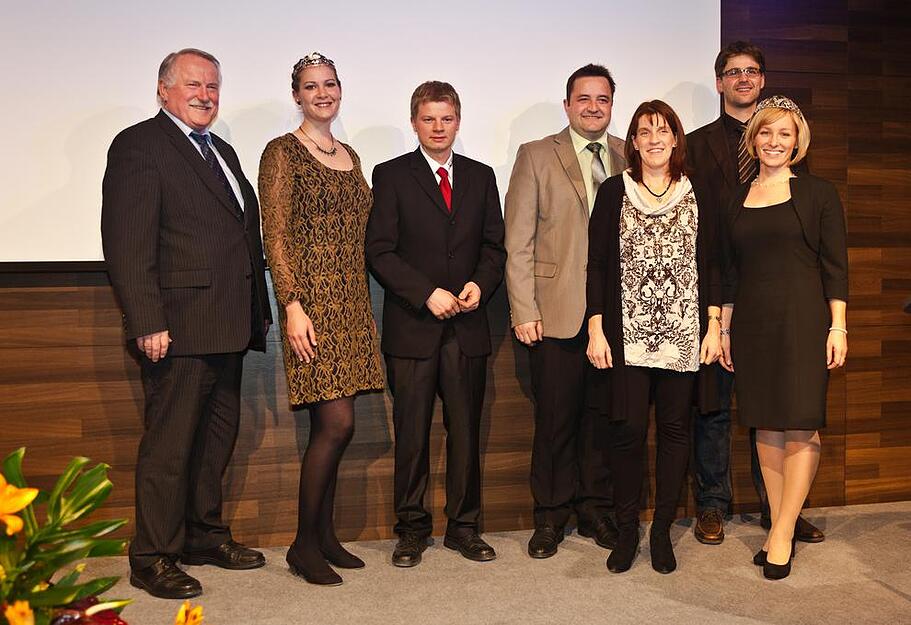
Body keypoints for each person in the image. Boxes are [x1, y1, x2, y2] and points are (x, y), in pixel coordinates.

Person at [101, 48, 272, 599]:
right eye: (194, 84)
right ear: (163, 89)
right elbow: (127, 243)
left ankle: (203, 535)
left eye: (214, 87)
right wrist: (147, 320)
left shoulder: (219, 148)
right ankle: (151, 555)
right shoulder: (139, 145)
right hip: (176, 327)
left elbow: (238, 230)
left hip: (226, 324)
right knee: (170, 447)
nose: (205, 95)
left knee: (215, 441)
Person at [687, 41, 825, 545]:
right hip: (716, 290)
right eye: (732, 72)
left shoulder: (788, 146)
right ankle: (713, 505)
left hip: (778, 302)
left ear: (762, 80)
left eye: (751, 71)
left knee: (777, 408)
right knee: (716, 405)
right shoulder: (696, 146)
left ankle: (779, 512)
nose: (742, 78)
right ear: (719, 81)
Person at [366, 81, 506, 568]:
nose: (438, 127)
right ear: (414, 123)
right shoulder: (391, 175)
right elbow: (379, 250)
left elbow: (494, 248)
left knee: (466, 433)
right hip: (413, 329)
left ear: (458, 121)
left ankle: (464, 528)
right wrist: (426, 293)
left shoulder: (481, 176)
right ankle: (411, 530)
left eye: (446, 118)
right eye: (429, 119)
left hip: (468, 329)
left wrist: (478, 286)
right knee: (412, 436)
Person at [258, 53, 385, 586]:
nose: (323, 93)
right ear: (297, 95)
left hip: (352, 306)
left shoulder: (350, 155)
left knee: (332, 428)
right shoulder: (281, 153)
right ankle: (302, 545)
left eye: (330, 84)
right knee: (337, 424)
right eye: (311, 86)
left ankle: (324, 535)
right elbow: (276, 233)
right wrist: (291, 305)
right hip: (311, 308)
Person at [586, 100, 722, 574]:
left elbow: (713, 261)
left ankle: (661, 530)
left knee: (675, 431)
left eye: (663, 130)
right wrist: (596, 327)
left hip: (683, 333)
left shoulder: (698, 190)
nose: (654, 139)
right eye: (644, 131)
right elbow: (597, 263)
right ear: (634, 142)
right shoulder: (612, 192)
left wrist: (714, 326)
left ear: (676, 139)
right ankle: (627, 532)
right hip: (626, 335)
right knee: (625, 432)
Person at [720, 95, 848, 580]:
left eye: (785, 134)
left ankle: (780, 534)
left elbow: (837, 268)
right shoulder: (737, 198)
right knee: (766, 426)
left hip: (803, 322)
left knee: (800, 425)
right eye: (766, 133)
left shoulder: (819, 193)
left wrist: (838, 326)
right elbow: (729, 271)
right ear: (753, 140)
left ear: (798, 142)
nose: (774, 142)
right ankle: (781, 526)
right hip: (752, 323)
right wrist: (725, 327)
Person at [504, 64, 625, 559]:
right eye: (584, 98)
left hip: (615, 318)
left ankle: (595, 509)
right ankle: (550, 516)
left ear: (611, 104)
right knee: (555, 421)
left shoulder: (628, 153)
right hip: (554, 314)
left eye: (602, 99)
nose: (593, 107)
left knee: (602, 420)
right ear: (567, 104)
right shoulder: (536, 155)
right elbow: (518, 242)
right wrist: (523, 309)